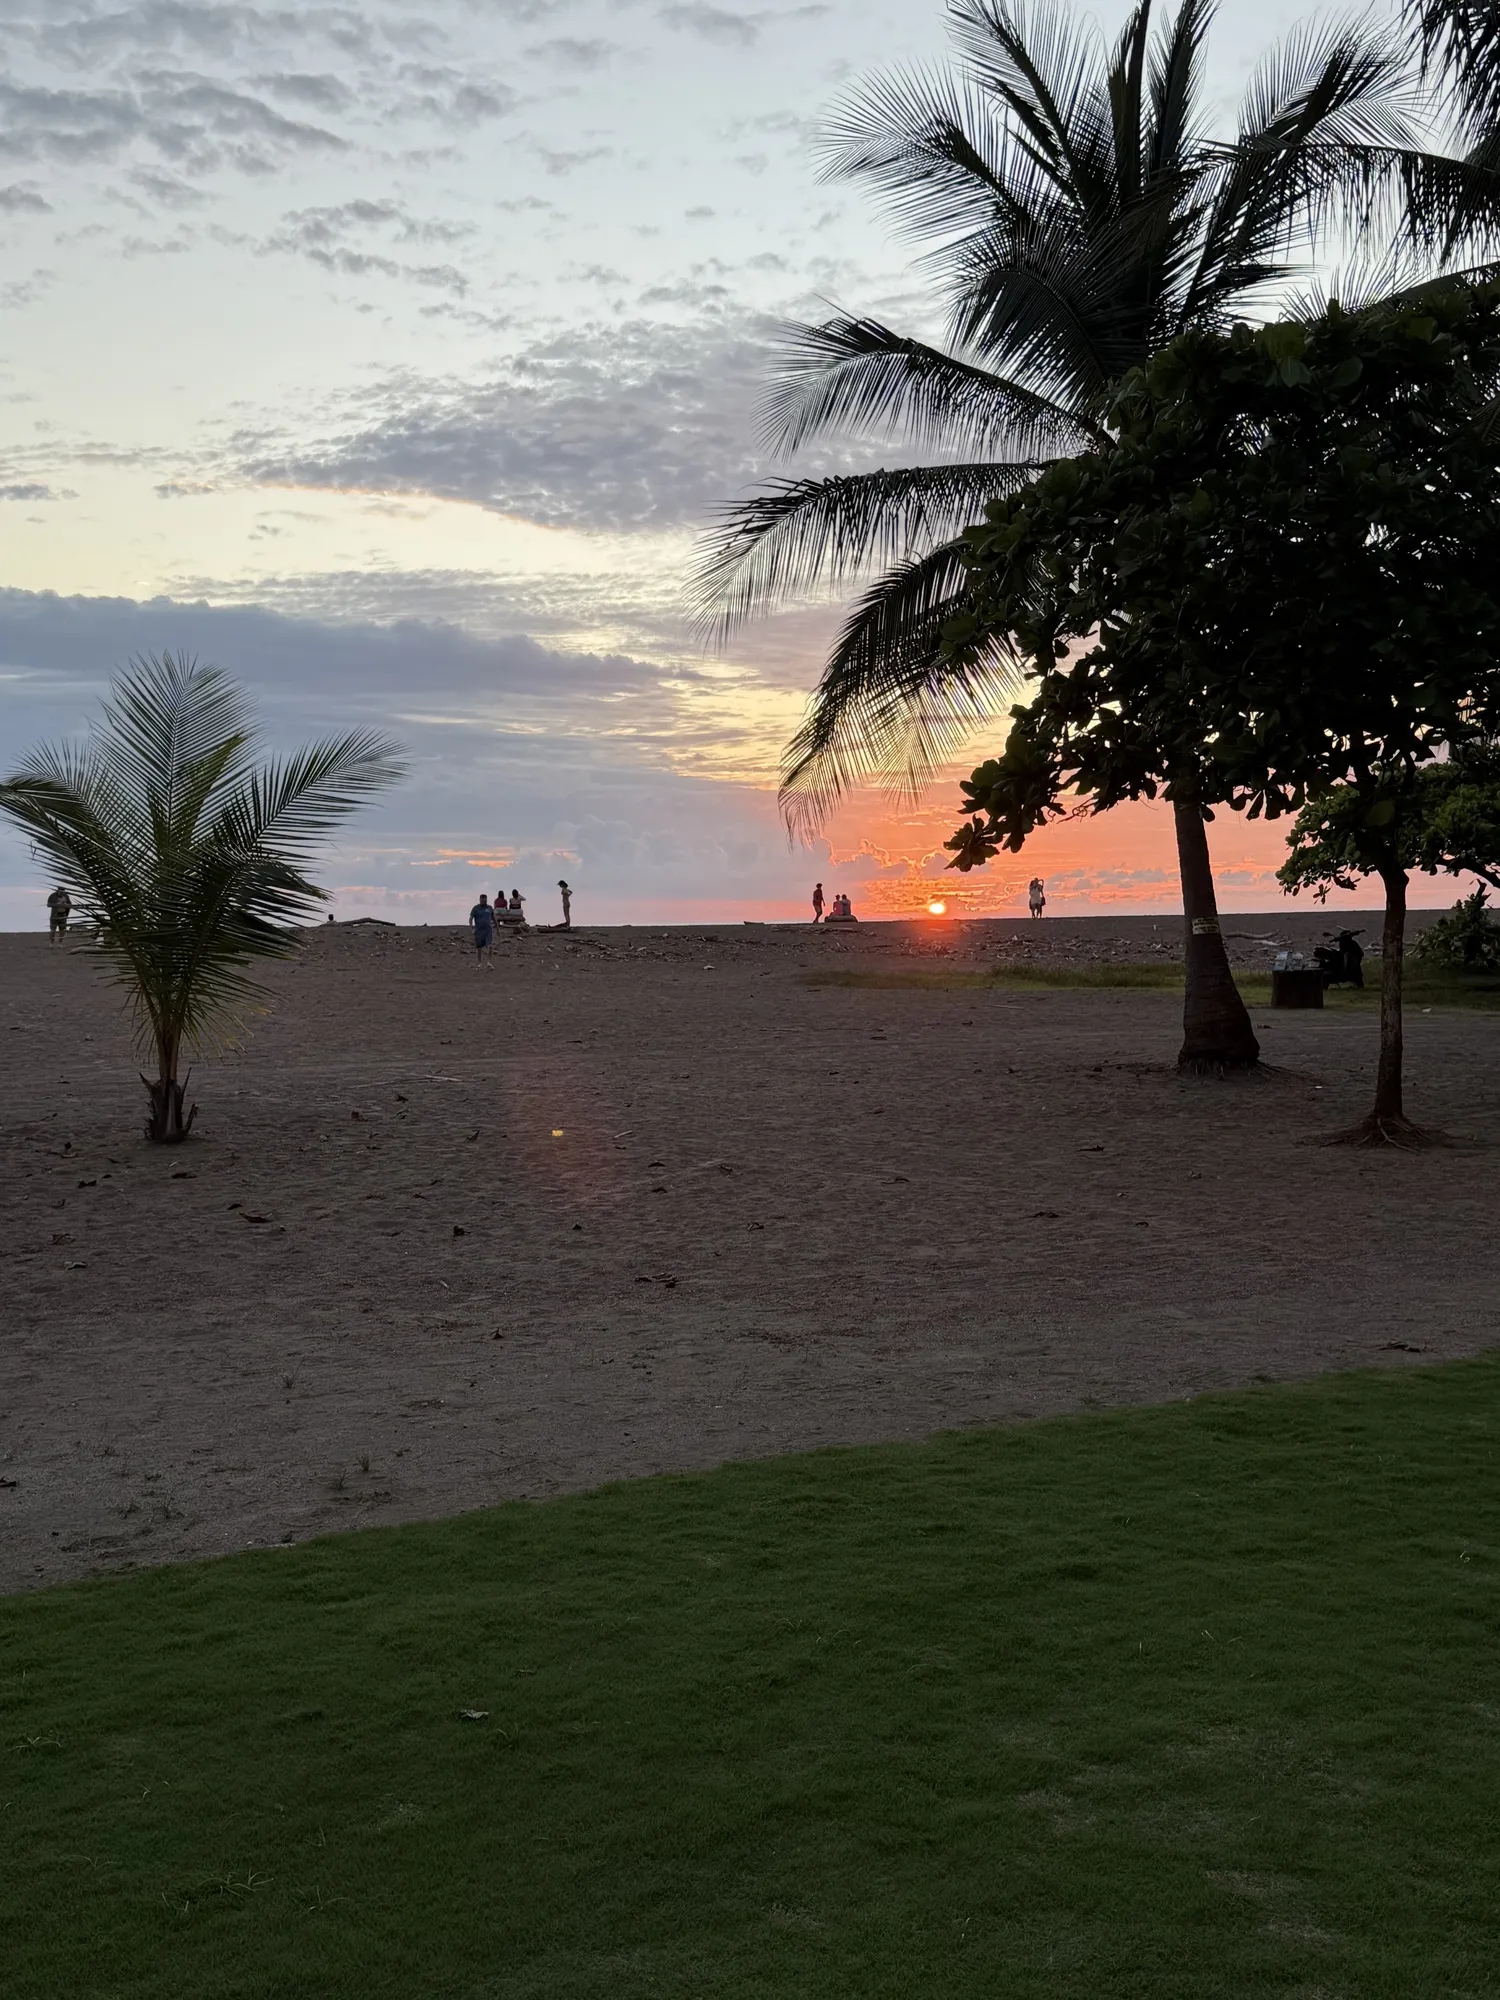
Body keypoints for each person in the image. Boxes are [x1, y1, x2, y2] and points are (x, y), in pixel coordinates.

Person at [470, 892, 495, 967]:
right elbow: (471, 918)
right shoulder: (475, 908)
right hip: (479, 930)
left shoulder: (489, 908)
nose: (483, 901)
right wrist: (472, 928)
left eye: (484, 900)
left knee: (490, 946)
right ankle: (479, 962)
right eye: (481, 900)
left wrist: (497, 928)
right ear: (479, 900)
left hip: (488, 930)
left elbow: (494, 918)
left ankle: (489, 962)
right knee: (479, 948)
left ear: (486, 900)